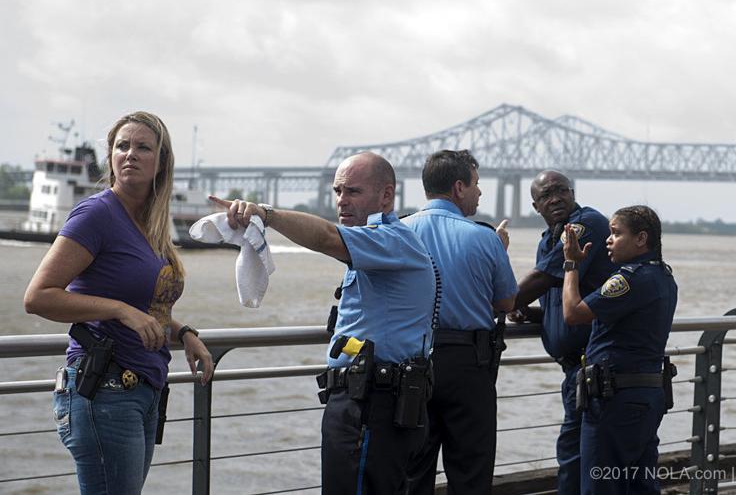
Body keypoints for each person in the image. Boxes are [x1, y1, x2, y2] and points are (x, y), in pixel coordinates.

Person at [210, 151, 435, 494]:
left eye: (353, 191)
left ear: (386, 195)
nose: (342, 201)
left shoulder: (391, 241)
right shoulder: (384, 243)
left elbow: (328, 237)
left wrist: (265, 214)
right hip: (372, 402)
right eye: (338, 191)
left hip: (371, 407)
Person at [23, 111, 214, 495]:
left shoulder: (153, 224)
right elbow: (38, 297)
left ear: (161, 162)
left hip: (144, 390)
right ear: (109, 156)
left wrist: (184, 333)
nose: (130, 154)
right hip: (105, 390)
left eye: (143, 147)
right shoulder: (97, 214)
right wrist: (118, 309)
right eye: (121, 146)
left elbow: (149, 305)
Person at [401, 150, 517, 495]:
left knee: (411, 470)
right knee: (470, 471)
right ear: (458, 187)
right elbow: (506, 302)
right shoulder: (484, 238)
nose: (480, 193)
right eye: (477, 184)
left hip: (409, 364)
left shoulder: (397, 233)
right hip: (468, 364)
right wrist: (498, 253)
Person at [561, 205, 677, 495]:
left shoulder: (628, 279)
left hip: (614, 402)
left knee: (601, 486)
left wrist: (571, 264)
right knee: (639, 486)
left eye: (616, 233)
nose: (608, 240)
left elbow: (573, 312)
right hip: (646, 398)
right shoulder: (663, 276)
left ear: (641, 239)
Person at [509, 170, 612, 495]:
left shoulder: (585, 225)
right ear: (535, 205)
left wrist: (492, 305)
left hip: (593, 368)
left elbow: (541, 278)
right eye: (546, 195)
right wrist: (527, 311)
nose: (555, 199)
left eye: (560, 191)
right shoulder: (547, 240)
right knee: (579, 455)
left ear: (571, 192)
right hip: (573, 370)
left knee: (578, 457)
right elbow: (559, 298)